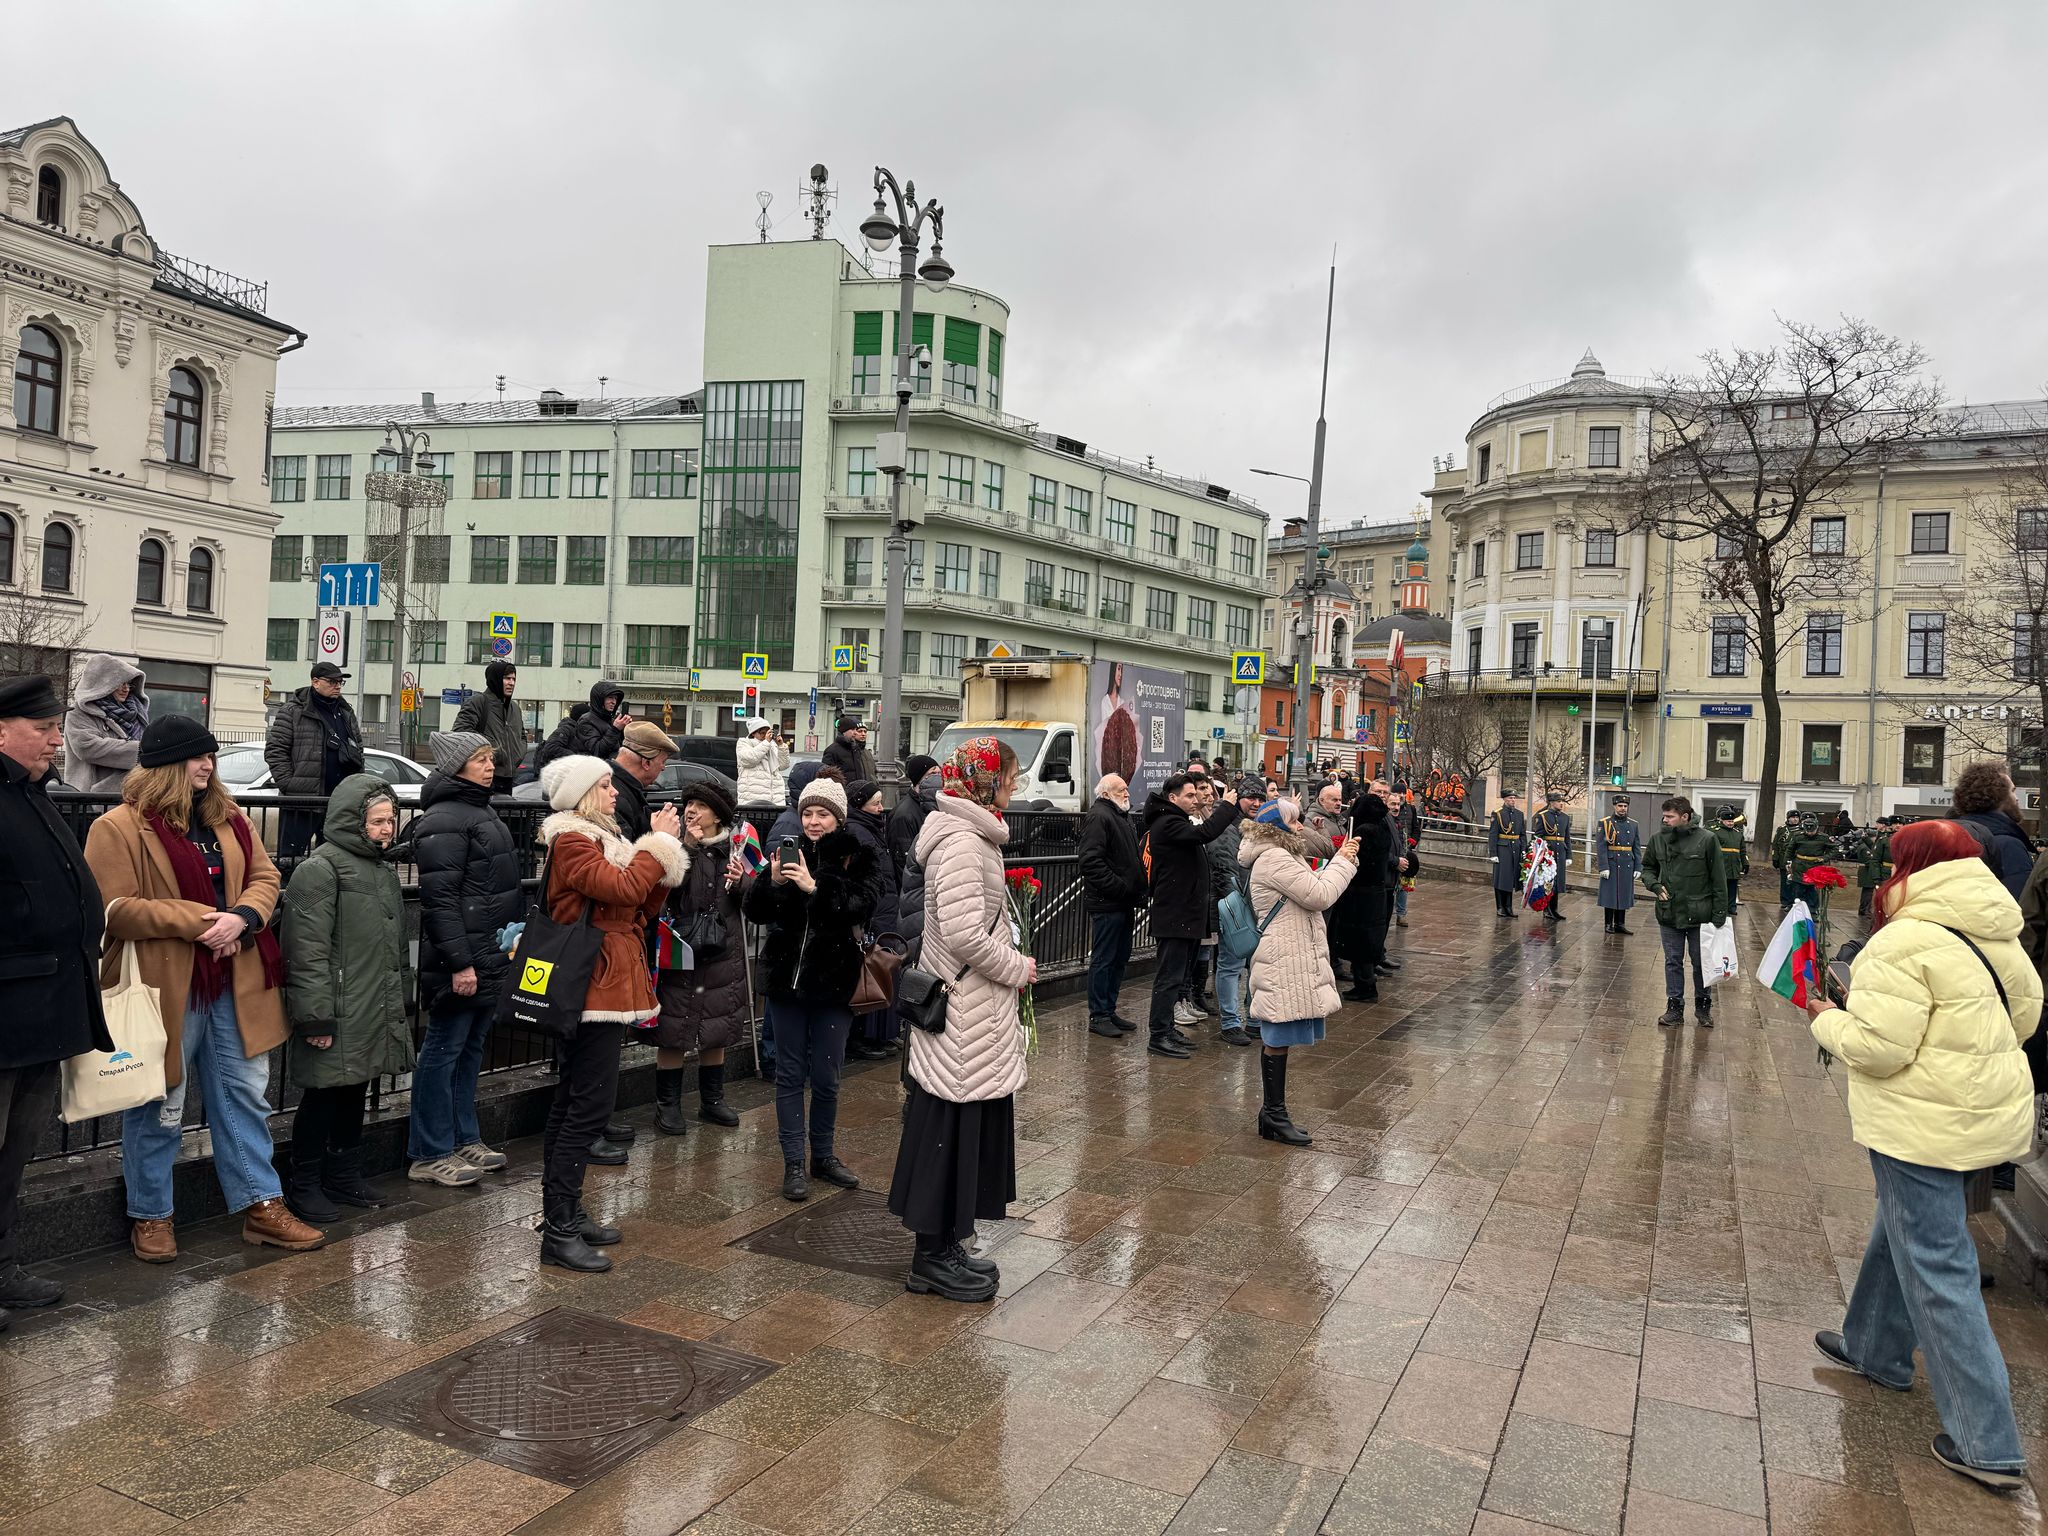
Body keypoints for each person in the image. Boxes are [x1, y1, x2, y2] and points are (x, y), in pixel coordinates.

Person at [1805, 818, 2041, 1492]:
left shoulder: (1904, 938)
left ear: (1910, 867)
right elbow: (2026, 1016)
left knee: (1938, 1267)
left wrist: (1825, 1016)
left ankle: (1987, 1442)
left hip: (1919, 1122)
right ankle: (1874, 1347)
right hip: (1978, 1116)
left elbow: (1879, 1048)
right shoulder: (1993, 928)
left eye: (1893, 863)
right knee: (1903, 1225)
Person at [85, 715, 324, 1263]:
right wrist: (202, 922)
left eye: (212, 756)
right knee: (159, 1101)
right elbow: (113, 910)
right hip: (164, 988)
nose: (209, 765)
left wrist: (243, 918)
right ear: (168, 765)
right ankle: (151, 1214)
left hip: (235, 980)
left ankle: (262, 1206)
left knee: (244, 1096)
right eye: (199, 756)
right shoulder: (117, 827)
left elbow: (266, 878)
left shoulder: (229, 818)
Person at [888, 737, 1034, 1304]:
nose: (1013, 786)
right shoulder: (963, 842)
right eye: (1008, 777)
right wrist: (1018, 967)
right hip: (963, 1012)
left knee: (955, 1132)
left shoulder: (970, 835)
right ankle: (930, 1257)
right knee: (945, 1134)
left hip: (971, 1013)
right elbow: (964, 935)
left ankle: (945, 1246)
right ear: (984, 781)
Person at [533, 755, 686, 1270]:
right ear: (582, 794)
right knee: (587, 1107)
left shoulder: (606, 839)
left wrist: (661, 859)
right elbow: (621, 888)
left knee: (575, 1101)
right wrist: (657, 845)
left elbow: (639, 906)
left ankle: (565, 1213)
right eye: (604, 784)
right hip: (589, 986)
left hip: (606, 981)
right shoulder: (572, 840)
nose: (615, 791)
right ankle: (558, 1230)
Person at [0, 677, 113, 1325]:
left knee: (14, 1153)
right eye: (42, 728)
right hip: (8, 1013)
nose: (55, 740)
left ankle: (2, 1267)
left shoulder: (33, 793)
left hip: (44, 1010)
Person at [278, 776, 411, 1224]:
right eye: (377, 821)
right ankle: (304, 1183)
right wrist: (315, 1018)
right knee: (322, 1095)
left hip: (367, 1003)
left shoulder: (379, 870)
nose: (387, 829)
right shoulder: (321, 869)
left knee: (355, 1088)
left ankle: (343, 1174)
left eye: (390, 820)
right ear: (353, 821)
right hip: (336, 1006)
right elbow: (305, 950)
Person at [743, 775, 872, 1201]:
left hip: (834, 982)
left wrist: (815, 888)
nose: (814, 822)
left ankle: (824, 1156)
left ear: (838, 818)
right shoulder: (787, 850)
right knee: (789, 1074)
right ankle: (794, 1162)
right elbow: (755, 911)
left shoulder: (857, 854)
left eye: (822, 814)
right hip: (786, 982)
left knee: (827, 1075)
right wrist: (772, 882)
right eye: (808, 813)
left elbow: (863, 905)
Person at [408, 732, 524, 1188]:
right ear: (456, 767)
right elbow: (439, 900)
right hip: (462, 960)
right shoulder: (444, 819)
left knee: (471, 1047)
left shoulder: (481, 810)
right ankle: (430, 1152)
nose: (489, 766)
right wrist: (460, 963)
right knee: (443, 1051)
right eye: (479, 760)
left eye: (490, 758)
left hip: (487, 952)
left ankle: (462, 1138)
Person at [1241, 798, 1360, 1146]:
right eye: (1293, 821)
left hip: (1286, 953)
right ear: (1277, 827)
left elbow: (1308, 886)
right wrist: (1343, 862)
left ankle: (1272, 1114)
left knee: (1279, 1037)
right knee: (1277, 1037)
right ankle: (1274, 1115)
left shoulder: (1278, 853)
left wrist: (1339, 862)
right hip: (1283, 956)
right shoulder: (1275, 857)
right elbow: (1319, 895)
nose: (1300, 827)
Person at [651, 779, 747, 1134]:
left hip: (722, 953)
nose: (691, 810)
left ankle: (713, 1100)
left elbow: (754, 900)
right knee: (673, 1028)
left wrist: (744, 883)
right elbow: (667, 888)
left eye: (701, 806)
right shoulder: (675, 845)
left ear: (717, 816)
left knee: (715, 1025)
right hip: (681, 949)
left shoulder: (735, 849)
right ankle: (667, 1106)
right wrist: (686, 848)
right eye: (689, 804)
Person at [1142, 772, 1242, 1059]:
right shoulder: (1167, 823)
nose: (1195, 799)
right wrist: (1227, 806)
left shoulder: (1176, 820)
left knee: (1177, 976)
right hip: (1175, 914)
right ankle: (1158, 1035)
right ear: (1172, 798)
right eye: (1189, 795)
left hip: (1184, 913)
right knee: (1169, 978)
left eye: (1195, 794)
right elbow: (1205, 833)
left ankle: (1167, 1029)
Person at [1639, 795, 1729, 1028]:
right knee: (1673, 962)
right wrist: (1655, 886)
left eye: (1670, 816)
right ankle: (1674, 1008)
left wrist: (1720, 915)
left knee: (1701, 963)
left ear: (1685, 817)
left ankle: (1703, 1007)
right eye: (1664, 816)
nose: (1665, 820)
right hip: (1669, 913)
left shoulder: (1707, 839)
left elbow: (1719, 879)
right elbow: (1647, 868)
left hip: (1700, 914)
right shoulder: (1658, 839)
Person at [265, 661, 364, 859]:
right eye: (332, 682)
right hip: (301, 801)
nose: (337, 686)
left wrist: (356, 784)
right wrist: (290, 784)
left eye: (340, 682)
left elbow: (358, 749)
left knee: (334, 859)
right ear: (315, 682)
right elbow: (275, 750)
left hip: (338, 801)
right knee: (290, 859)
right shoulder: (293, 711)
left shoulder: (345, 711)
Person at [1079, 774, 1146, 1039]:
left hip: (1121, 901)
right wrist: (1119, 887)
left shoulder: (1119, 815)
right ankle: (1099, 1015)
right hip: (1108, 902)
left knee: (1119, 958)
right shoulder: (1099, 816)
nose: (1127, 793)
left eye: (1126, 789)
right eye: (1121, 790)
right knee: (1105, 959)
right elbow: (1090, 861)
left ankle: (1108, 1010)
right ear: (1106, 794)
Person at [844, 778, 902, 1063]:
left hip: (884, 908)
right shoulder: (858, 831)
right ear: (860, 806)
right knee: (871, 974)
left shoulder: (870, 828)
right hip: (876, 912)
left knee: (881, 971)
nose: (881, 808)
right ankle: (864, 1038)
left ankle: (878, 1034)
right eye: (875, 803)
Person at [1209, 775, 1266, 1047]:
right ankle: (1230, 1023)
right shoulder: (1227, 827)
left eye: (1260, 798)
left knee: (1257, 966)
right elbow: (1223, 868)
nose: (1256, 803)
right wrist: (1236, 905)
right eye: (1251, 797)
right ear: (1239, 798)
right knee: (1230, 965)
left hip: (1258, 907)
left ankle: (1254, 1019)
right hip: (1237, 907)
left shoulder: (1258, 826)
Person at [62, 653, 149, 793]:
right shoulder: (79, 712)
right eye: (120, 683)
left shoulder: (136, 711)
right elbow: (86, 747)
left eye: (128, 684)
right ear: (103, 684)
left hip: (133, 789)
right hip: (93, 795)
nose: (126, 689)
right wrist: (139, 749)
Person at [1342, 791, 1397, 1002]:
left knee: (1360, 941)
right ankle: (1365, 983)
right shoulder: (1382, 828)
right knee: (1367, 940)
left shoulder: (1364, 831)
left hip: (1361, 894)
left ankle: (1365, 986)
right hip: (1375, 892)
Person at [1953, 762, 2037, 899]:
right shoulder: (2009, 845)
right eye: (2012, 791)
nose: (2016, 798)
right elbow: (2019, 901)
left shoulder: (1952, 838)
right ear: (1999, 796)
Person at [451, 661, 526, 793]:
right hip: (482, 776)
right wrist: (493, 751)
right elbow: (460, 732)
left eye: (513, 679)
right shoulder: (478, 702)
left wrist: (518, 755)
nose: (511, 683)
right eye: (506, 678)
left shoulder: (515, 708)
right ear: (495, 679)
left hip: (508, 778)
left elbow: (522, 736)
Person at [535, 679, 632, 776]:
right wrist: (615, 730)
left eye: (615, 698)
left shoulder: (609, 721)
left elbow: (617, 748)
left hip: (608, 772)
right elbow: (596, 752)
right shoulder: (586, 721)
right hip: (594, 774)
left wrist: (624, 730)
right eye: (610, 698)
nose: (613, 702)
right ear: (600, 699)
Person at [1594, 795, 1643, 936]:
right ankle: (1608, 924)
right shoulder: (1605, 823)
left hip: (1627, 863)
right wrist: (1603, 866)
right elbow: (1601, 847)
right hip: (1612, 863)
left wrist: (1638, 867)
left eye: (1625, 806)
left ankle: (1620, 924)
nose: (1623, 808)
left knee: (1624, 894)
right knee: (1610, 894)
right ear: (1614, 806)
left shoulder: (1633, 824)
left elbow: (1636, 847)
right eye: (1620, 806)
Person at [1487, 789, 1528, 919]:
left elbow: (1522, 834)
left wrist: (1524, 849)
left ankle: (1508, 907)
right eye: (1510, 798)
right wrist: (1493, 853)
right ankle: (1500, 907)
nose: (1513, 800)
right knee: (1501, 879)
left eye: (1514, 798)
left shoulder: (1519, 814)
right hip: (1502, 849)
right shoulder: (1498, 813)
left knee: (1510, 879)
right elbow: (1493, 834)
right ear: (1504, 799)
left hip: (1515, 849)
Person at [1533, 791, 1573, 922]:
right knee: (1548, 881)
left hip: (1560, 852)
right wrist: (1541, 853)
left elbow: (1567, 838)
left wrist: (1569, 855)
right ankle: (1547, 909)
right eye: (1558, 801)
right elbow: (1538, 837)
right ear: (1551, 803)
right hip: (1548, 853)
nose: (1561, 804)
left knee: (1557, 882)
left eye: (1562, 801)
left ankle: (1554, 909)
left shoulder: (1565, 817)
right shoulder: (1543, 816)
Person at [736, 718, 791, 806]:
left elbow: (784, 765)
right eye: (762, 733)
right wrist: (766, 743)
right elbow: (750, 759)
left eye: (768, 732)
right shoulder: (744, 743)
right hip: (753, 799)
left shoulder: (772, 745)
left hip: (776, 799)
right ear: (753, 733)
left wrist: (781, 745)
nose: (765, 735)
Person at [1713, 803, 1750, 915]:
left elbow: (1742, 850)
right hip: (1721, 864)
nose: (1730, 823)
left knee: (1733, 887)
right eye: (1728, 821)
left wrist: (1745, 863)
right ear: (1722, 821)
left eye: (1732, 821)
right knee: (1721, 888)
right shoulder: (1716, 832)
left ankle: (1731, 907)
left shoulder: (1738, 833)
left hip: (1734, 865)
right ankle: (1720, 907)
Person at [1859, 817, 1898, 918]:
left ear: (1883, 825)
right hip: (1881, 870)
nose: (1876, 826)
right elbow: (1875, 851)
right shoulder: (1883, 837)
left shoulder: (1884, 836)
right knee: (1874, 893)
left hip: (1889, 869)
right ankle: (1869, 911)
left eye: (1878, 823)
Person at [1394, 789, 1422, 927]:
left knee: (1404, 885)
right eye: (1398, 793)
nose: (1401, 796)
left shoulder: (1411, 809)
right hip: (1394, 850)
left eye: (1403, 793)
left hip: (1406, 851)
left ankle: (1401, 914)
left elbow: (1416, 828)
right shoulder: (1391, 809)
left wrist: (1413, 842)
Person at [822, 715, 877, 782]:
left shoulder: (857, 750)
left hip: (860, 787)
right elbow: (827, 776)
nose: (855, 732)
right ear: (844, 731)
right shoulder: (832, 751)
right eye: (853, 729)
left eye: (865, 731)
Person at [1771, 808, 1801, 910]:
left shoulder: (1802, 830)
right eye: (1793, 817)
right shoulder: (1782, 829)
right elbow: (1775, 844)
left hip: (1797, 860)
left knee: (1795, 882)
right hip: (1784, 859)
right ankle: (1785, 901)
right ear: (1788, 818)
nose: (1795, 819)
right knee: (1785, 882)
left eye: (1797, 817)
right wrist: (1775, 858)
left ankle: (1794, 901)